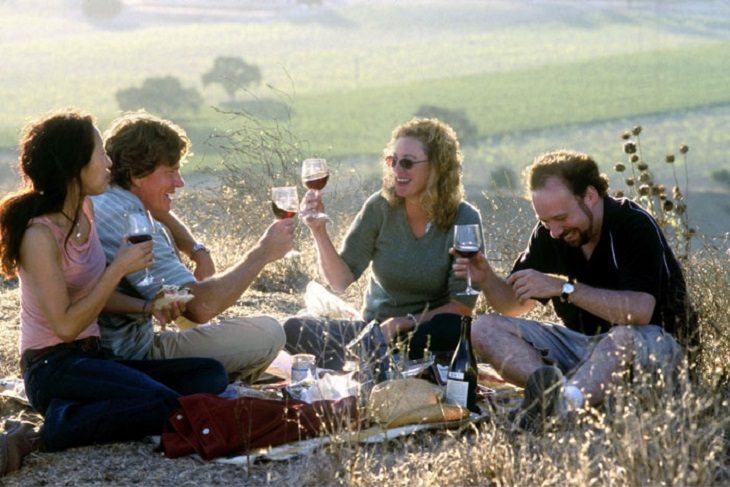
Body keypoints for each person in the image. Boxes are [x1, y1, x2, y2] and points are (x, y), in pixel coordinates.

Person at [0, 109, 228, 476]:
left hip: (94, 357)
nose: (108, 162)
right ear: (75, 165)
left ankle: (81, 410)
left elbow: (93, 297)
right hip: (53, 367)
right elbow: (66, 326)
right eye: (100, 153)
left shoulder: (85, 210)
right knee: (163, 402)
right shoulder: (38, 235)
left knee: (210, 375)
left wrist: (146, 306)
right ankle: (49, 431)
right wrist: (119, 267)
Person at [453, 149, 693, 431]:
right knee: (483, 328)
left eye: (560, 218)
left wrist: (563, 288)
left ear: (590, 196)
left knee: (621, 338)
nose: (554, 231)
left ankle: (559, 409)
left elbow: (639, 312)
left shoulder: (633, 225)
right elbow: (512, 305)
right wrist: (486, 278)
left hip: (651, 346)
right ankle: (556, 394)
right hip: (583, 348)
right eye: (545, 222)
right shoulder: (551, 234)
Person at [91, 111, 291, 382]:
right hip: (132, 357)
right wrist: (262, 253)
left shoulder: (107, 200)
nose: (180, 182)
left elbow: (161, 215)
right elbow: (200, 307)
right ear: (138, 175)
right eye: (170, 172)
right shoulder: (132, 221)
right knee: (269, 333)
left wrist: (197, 251)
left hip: (109, 352)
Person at [284, 118, 484, 370]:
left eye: (408, 163)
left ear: (437, 167)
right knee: (293, 329)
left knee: (455, 329)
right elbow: (340, 281)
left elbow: (462, 307)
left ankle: (365, 358)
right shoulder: (379, 207)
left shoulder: (464, 218)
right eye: (393, 161)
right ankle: (370, 353)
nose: (397, 170)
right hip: (374, 330)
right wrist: (318, 231)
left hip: (428, 330)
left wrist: (403, 322)